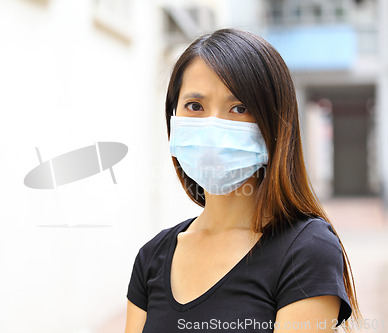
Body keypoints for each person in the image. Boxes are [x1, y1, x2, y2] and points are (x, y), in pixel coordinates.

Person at [124, 28, 362, 333]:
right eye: (195, 106)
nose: (213, 126)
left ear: (274, 123)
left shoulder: (307, 251)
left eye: (239, 108)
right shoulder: (151, 257)